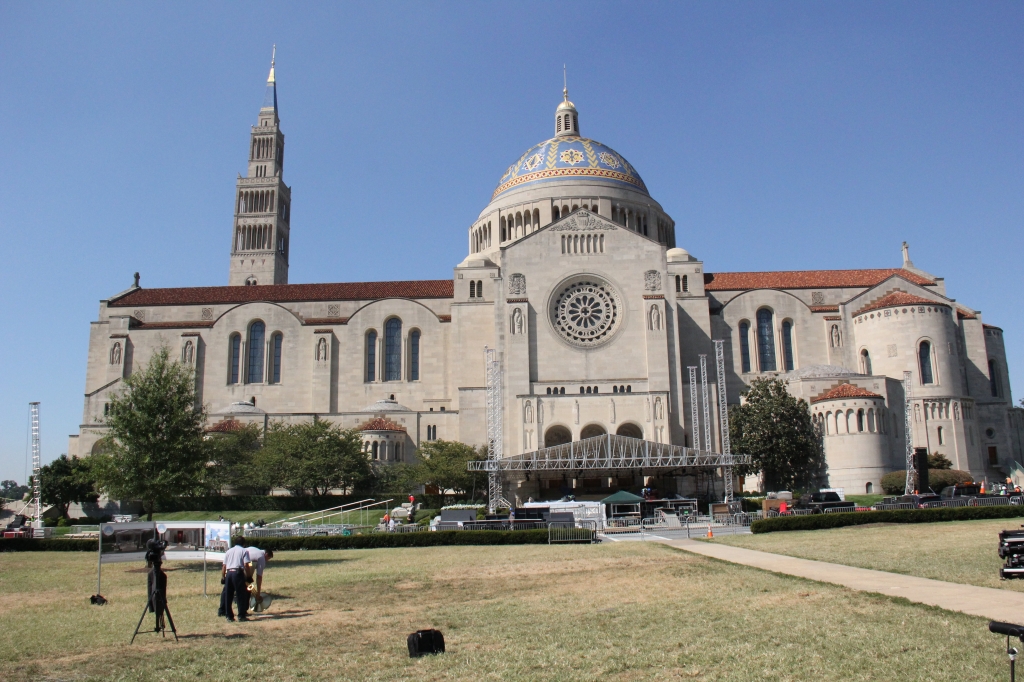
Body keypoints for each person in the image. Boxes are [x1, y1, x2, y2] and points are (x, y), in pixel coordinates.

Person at [221, 537, 250, 622]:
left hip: (229, 573)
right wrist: (248, 576)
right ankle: (241, 615)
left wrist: (223, 577)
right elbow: (246, 565)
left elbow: (224, 566)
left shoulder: (228, 551)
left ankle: (229, 616)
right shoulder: (244, 551)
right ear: (243, 544)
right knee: (241, 595)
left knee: (228, 595)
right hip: (238, 573)